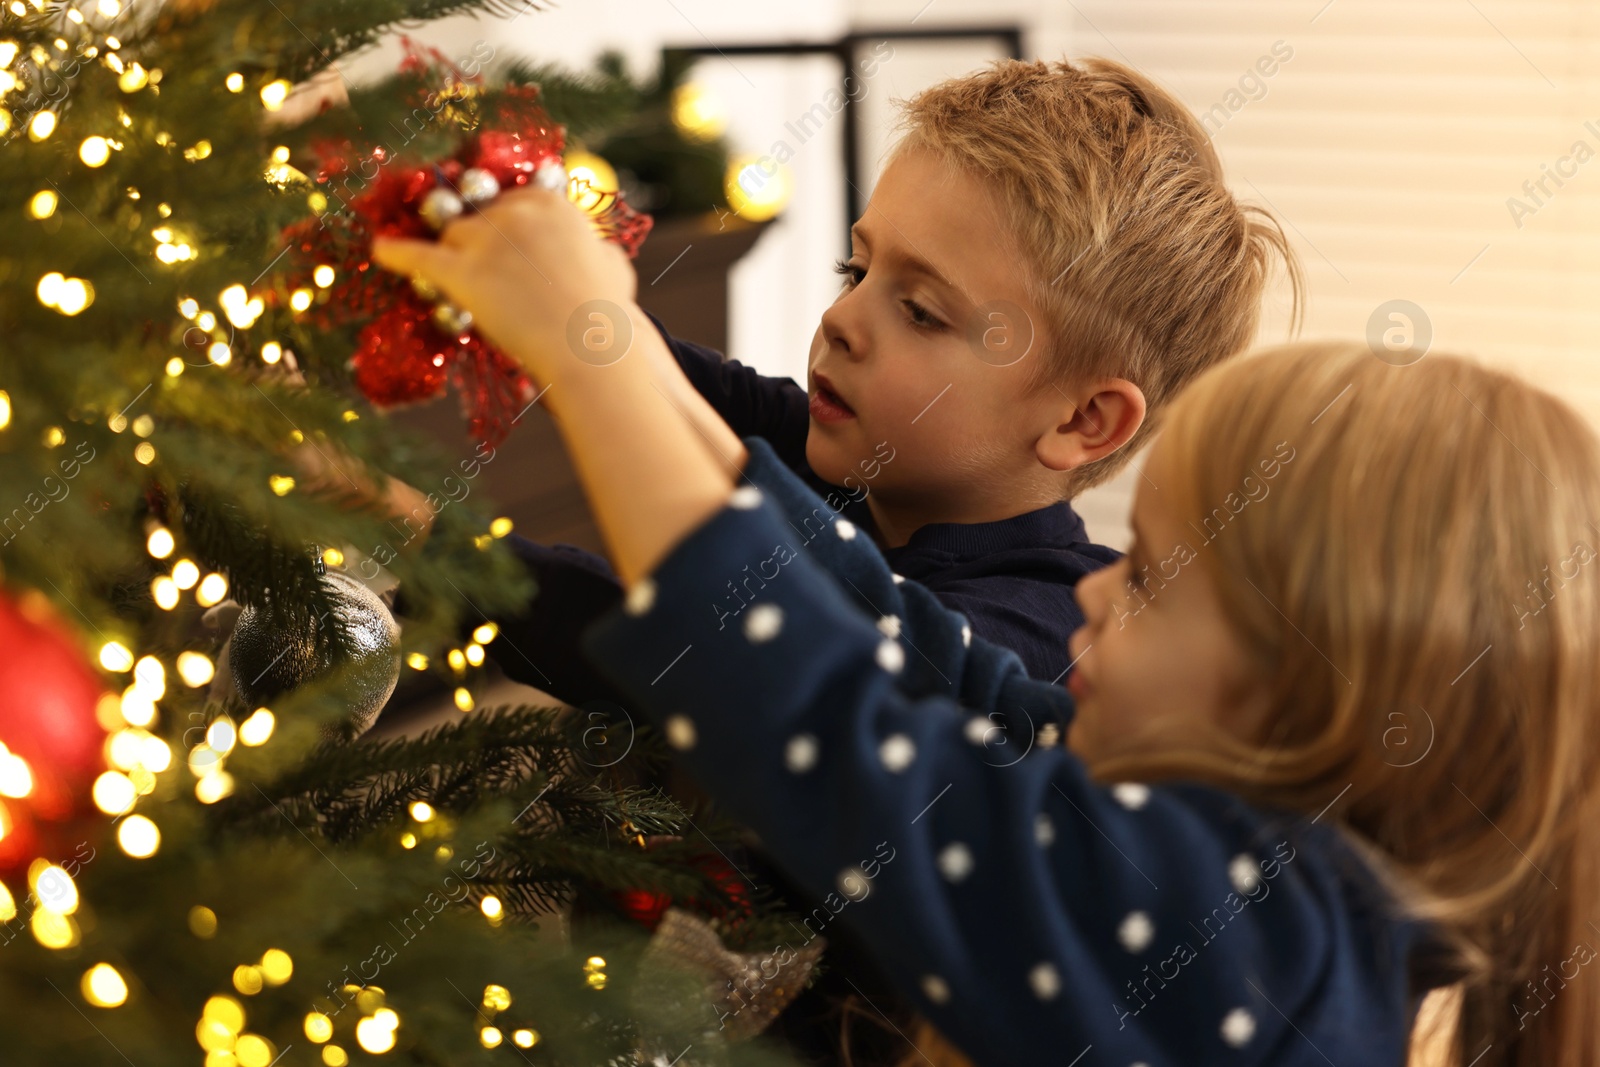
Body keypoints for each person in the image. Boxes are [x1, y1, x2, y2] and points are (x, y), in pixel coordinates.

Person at [374, 175, 1600, 1063]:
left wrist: (589, 346)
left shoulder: (1252, 948)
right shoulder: (1215, 845)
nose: (1098, 585)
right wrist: (606, 342)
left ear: (1316, 688)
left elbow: (820, 713)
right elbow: (885, 631)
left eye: (1159, 576)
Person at [378, 56, 1301, 699]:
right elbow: (694, 389)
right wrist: (462, 240)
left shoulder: (1044, 637)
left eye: (922, 312)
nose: (842, 320)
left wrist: (416, 533)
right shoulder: (861, 468)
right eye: (855, 272)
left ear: (1085, 420)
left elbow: (702, 656)